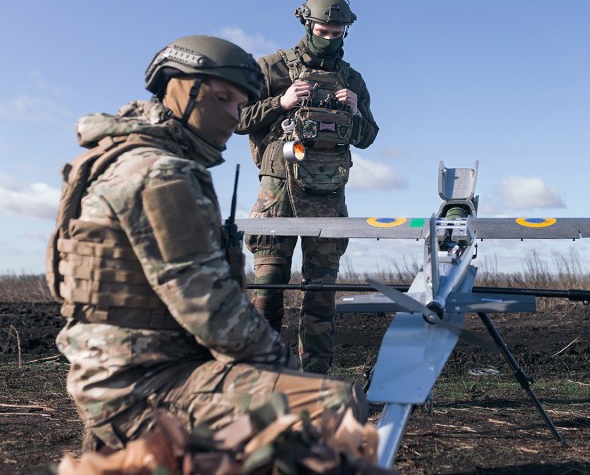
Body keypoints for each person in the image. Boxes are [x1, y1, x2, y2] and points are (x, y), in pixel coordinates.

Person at [46, 35, 366, 449]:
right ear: (183, 90)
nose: (234, 117)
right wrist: (289, 375)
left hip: (131, 366)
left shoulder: (118, 158)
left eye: (239, 105)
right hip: (144, 383)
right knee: (335, 408)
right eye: (223, 99)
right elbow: (210, 308)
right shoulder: (159, 175)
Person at [237, 0, 379, 374]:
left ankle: (314, 380)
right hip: (277, 192)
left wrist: (353, 110)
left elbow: (367, 137)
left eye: (338, 33)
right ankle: (260, 375)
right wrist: (281, 103)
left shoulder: (352, 79)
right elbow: (237, 119)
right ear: (307, 26)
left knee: (321, 295)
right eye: (323, 31)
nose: (330, 39)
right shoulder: (271, 67)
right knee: (267, 288)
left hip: (328, 194)